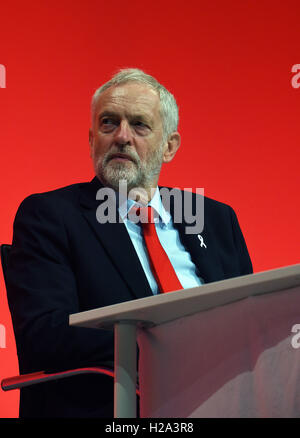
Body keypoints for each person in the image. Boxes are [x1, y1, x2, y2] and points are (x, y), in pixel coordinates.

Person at [6, 68, 253, 418]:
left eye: (139, 125)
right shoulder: (50, 216)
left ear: (169, 147)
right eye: (109, 123)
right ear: (92, 139)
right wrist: (168, 344)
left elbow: (251, 318)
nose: (122, 136)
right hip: (116, 406)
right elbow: (45, 337)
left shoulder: (214, 218)